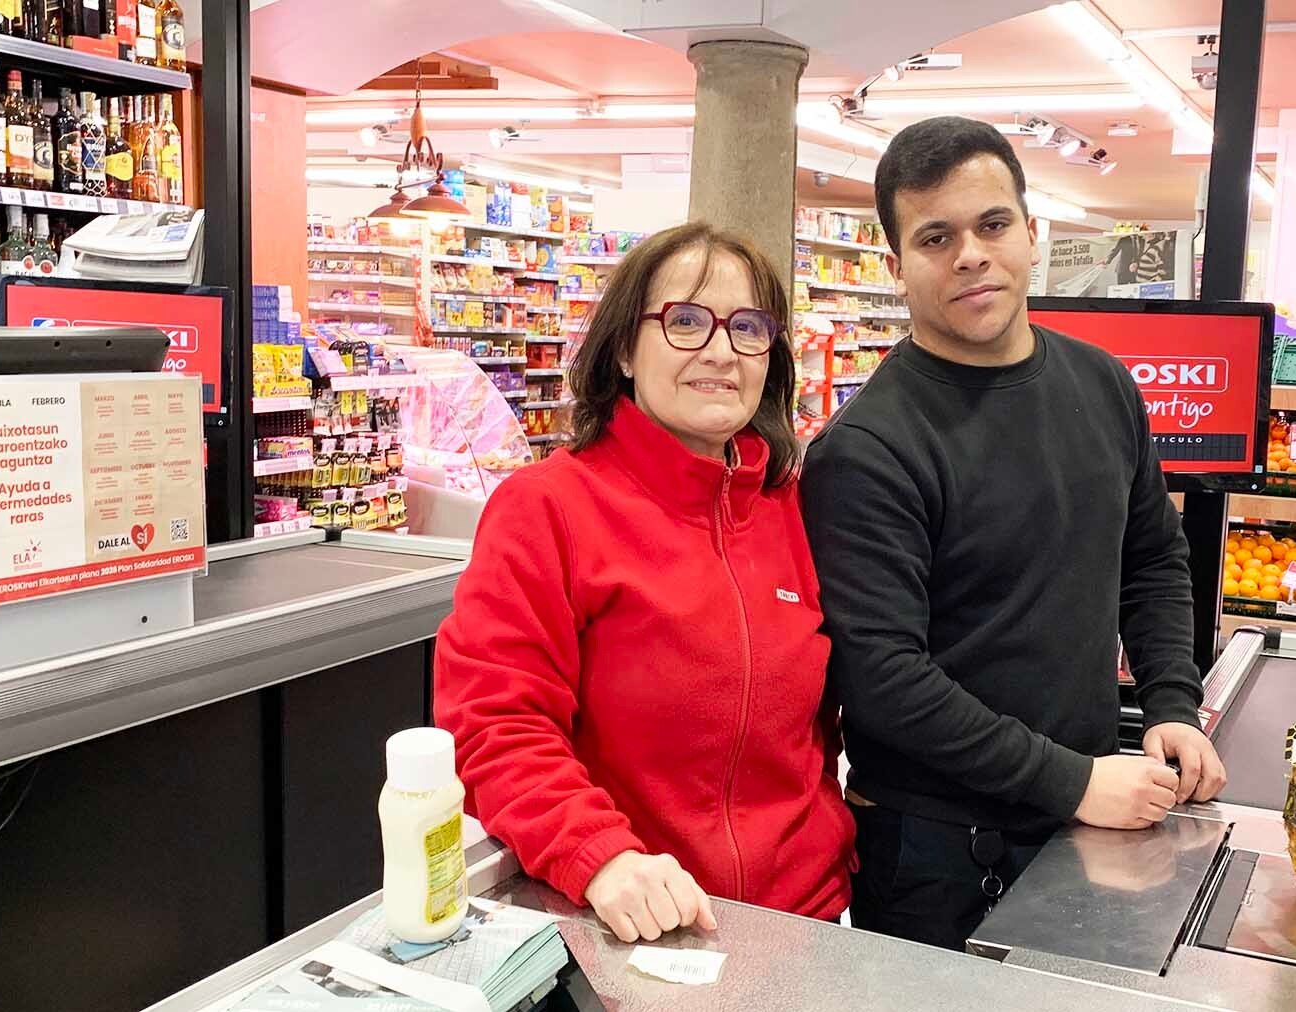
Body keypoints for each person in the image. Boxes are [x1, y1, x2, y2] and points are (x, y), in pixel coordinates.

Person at [800, 116, 1228, 951]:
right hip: (939, 852)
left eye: (992, 224)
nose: (970, 254)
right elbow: (885, 682)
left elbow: (1151, 559)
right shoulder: (869, 449)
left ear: (1032, 235)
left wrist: (1173, 703)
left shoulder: (1103, 385)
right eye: (935, 237)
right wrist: (1072, 782)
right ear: (897, 268)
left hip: (1090, 814)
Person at [434, 222, 853, 944]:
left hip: (806, 929)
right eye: (686, 321)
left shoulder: (795, 506)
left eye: (748, 327)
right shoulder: (548, 509)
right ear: (625, 348)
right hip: (634, 930)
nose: (721, 351)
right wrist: (600, 856)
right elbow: (495, 725)